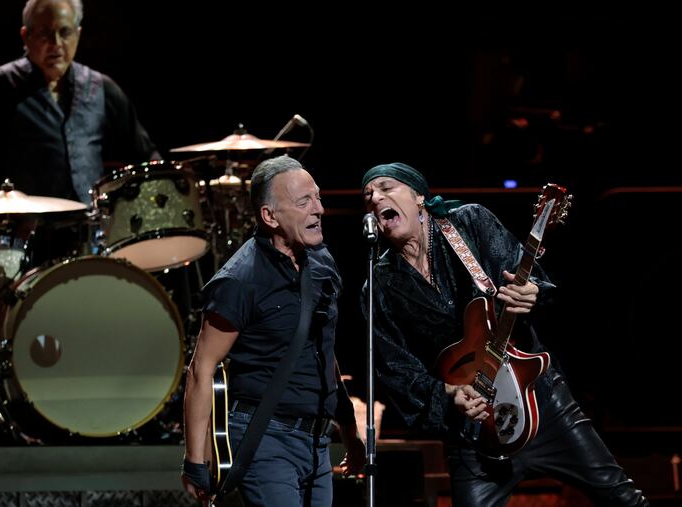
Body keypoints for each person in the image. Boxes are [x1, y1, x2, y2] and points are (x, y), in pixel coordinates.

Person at [360, 162, 648, 506]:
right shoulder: (379, 284)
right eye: (368, 196)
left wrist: (532, 292)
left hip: (542, 404)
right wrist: (448, 393)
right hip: (473, 430)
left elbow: (524, 274)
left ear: (419, 196)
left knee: (624, 499)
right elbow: (395, 369)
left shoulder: (469, 222)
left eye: (386, 187)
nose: (376, 198)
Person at [181, 155, 366, 507]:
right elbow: (201, 369)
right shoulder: (240, 280)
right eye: (304, 202)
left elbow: (323, 352)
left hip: (317, 442)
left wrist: (349, 432)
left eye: (318, 198)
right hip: (265, 438)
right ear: (270, 216)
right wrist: (194, 459)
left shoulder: (322, 263)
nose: (319, 210)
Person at [0, 0, 159, 205]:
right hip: (23, 234)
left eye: (65, 32)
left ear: (78, 34)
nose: (55, 43)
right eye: (44, 34)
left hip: (90, 232)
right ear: (25, 36)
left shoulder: (101, 88)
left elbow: (146, 155)